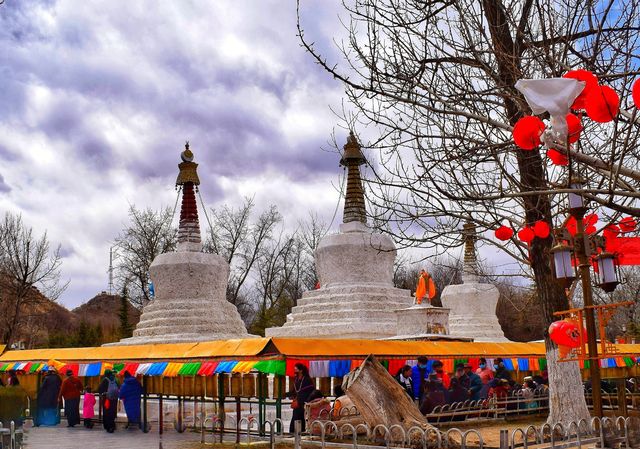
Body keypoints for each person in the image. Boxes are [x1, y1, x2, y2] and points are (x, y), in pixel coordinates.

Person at [288, 363, 314, 433]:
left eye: (296, 368)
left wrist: (300, 400)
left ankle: (301, 433)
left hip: (303, 403)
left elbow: (308, 392)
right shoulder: (296, 380)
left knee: (302, 418)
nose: (295, 370)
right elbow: (296, 391)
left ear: (301, 370)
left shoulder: (307, 380)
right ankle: (294, 433)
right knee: (295, 418)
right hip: (297, 403)